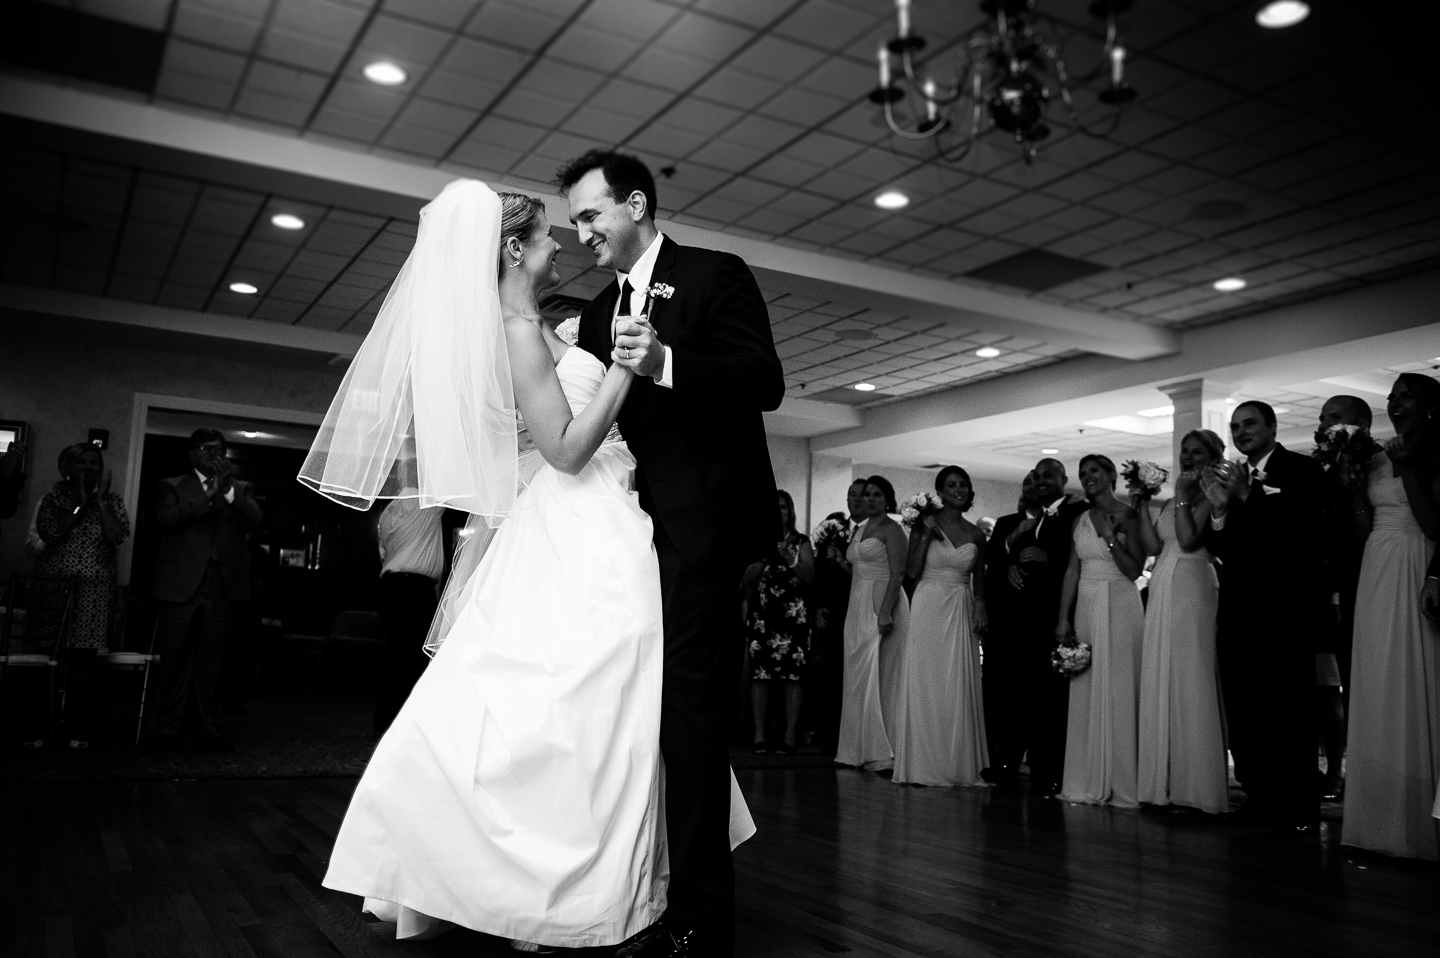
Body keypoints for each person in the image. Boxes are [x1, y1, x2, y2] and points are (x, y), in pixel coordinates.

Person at [563, 150, 783, 958]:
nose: (582, 231)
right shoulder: (592, 314)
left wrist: (659, 359)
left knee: (687, 714)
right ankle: (624, 881)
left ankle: (698, 914)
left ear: (637, 204)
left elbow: (764, 382)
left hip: (704, 531)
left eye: (592, 214)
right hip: (629, 532)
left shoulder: (715, 273)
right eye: (577, 220)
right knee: (629, 708)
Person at [1202, 400, 1329, 831]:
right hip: (1238, 610)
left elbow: (1298, 536)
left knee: (1287, 711)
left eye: (1250, 423)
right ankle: (1259, 797)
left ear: (1273, 426)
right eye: (1235, 426)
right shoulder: (1233, 476)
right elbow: (1224, 549)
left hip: (1284, 612)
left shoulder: (1303, 471)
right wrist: (1219, 511)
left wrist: (1245, 495)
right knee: (1245, 709)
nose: (1241, 431)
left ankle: (1298, 807)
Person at [1343, 373, 1440, 859]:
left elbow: (1434, 524)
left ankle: (1418, 826)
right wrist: (1357, 489)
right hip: (1377, 564)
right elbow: (1366, 526)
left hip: (1416, 559)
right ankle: (1376, 823)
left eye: (1406, 396)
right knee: (1377, 681)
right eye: (1392, 396)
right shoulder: (1379, 455)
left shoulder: (1432, 454)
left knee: (1413, 678)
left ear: (1427, 406)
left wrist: (1408, 471)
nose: (1394, 403)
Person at [148, 429, 261, 752]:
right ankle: (166, 729)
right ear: (191, 453)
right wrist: (209, 496)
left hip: (223, 585)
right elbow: (167, 519)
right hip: (178, 583)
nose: (214, 454)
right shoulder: (170, 486)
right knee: (173, 660)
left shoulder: (241, 488)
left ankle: (207, 730)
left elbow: (254, 520)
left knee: (213, 662)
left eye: (219, 449)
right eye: (206, 448)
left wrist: (226, 493)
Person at [1133, 430, 1228, 814]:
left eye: (1196, 451)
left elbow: (1189, 540)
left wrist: (1186, 496)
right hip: (1162, 584)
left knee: (1191, 673)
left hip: (1193, 582)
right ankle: (1164, 781)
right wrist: (1142, 505)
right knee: (1163, 673)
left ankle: (1197, 785)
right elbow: (1154, 548)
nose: (1187, 457)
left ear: (1213, 456)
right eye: (1184, 451)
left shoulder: (1212, 495)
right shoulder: (1173, 499)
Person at [1054, 454, 1145, 807]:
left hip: (1121, 603)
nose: (1088, 477)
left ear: (1110, 476)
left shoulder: (1129, 514)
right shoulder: (1079, 519)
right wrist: (1063, 617)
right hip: (1087, 607)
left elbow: (1134, 570)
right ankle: (1085, 775)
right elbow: (1071, 571)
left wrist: (1110, 538)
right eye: (1083, 473)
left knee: (1120, 685)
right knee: (1087, 686)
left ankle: (1124, 778)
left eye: (1094, 471)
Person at [892, 465, 989, 787]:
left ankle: (956, 762)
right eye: (951, 485)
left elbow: (980, 577)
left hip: (960, 604)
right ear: (940, 491)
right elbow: (912, 571)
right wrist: (923, 534)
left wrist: (979, 605)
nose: (958, 490)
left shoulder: (976, 533)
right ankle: (922, 762)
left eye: (963, 484)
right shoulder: (924, 525)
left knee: (956, 681)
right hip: (928, 603)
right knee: (926, 680)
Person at [1002, 459, 1089, 794]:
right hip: (1028, 618)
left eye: (1047, 475)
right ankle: (1032, 766)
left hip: (1055, 615)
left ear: (1063, 480)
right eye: (1036, 476)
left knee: (1053, 699)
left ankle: (1053, 772)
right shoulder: (1037, 517)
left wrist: (1047, 558)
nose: (1040, 481)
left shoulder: (1075, 510)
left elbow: (1076, 559)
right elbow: (1019, 555)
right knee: (1028, 694)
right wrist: (1011, 567)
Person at [34, 443, 130, 748]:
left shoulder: (112, 501)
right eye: (81, 463)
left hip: (95, 590)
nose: (89, 468)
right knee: (49, 657)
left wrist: (99, 503)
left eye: (94, 463)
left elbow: (117, 536)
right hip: (55, 588)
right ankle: (42, 729)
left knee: (83, 660)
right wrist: (79, 504)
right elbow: (51, 533)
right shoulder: (53, 499)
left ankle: (75, 731)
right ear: (67, 467)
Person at [834, 476, 908, 772]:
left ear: (887, 499)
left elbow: (899, 573)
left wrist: (886, 611)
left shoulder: (894, 529)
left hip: (882, 602)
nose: (871, 499)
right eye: (867, 494)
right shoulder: (861, 529)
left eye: (877, 494)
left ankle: (884, 752)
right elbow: (857, 566)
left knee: (881, 676)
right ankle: (855, 749)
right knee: (856, 676)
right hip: (857, 601)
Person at [743, 489, 813, 755]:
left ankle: (789, 736)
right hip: (763, 616)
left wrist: (789, 556)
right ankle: (760, 734)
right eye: (774, 507)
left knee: (792, 675)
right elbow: (746, 577)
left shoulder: (801, 541)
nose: (779, 512)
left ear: (790, 511)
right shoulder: (757, 540)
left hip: (793, 616)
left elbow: (809, 575)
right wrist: (764, 556)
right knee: (760, 675)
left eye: (782, 507)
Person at [981, 470, 1040, 784]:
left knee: (1028, 696)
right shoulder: (1005, 523)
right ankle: (996, 759)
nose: (1032, 487)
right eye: (1027, 483)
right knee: (996, 693)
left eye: (1037, 482)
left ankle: (1022, 761)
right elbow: (991, 562)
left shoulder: (1057, 523)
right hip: (1004, 623)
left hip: (1037, 622)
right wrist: (1011, 547)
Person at [371, 491, 444, 735]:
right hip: (413, 589)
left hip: (390, 586)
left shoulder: (390, 510)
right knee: (416, 660)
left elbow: (382, 550)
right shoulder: (426, 501)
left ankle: (384, 724)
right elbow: (462, 487)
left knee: (395, 657)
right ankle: (407, 727)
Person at [808, 479, 867, 753]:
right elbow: (818, 574)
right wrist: (817, 605)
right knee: (826, 676)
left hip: (857, 607)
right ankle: (825, 735)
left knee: (852, 674)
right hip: (830, 613)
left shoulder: (869, 532)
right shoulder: (833, 531)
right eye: (851, 495)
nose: (856, 499)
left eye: (861, 495)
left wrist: (844, 563)